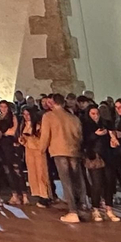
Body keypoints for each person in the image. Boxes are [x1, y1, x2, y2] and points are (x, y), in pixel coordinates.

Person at [42, 94, 87, 222]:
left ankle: (72, 210)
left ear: (53, 103)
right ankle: (82, 205)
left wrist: (41, 149)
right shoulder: (73, 117)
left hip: (59, 150)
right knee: (77, 178)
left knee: (66, 180)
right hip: (74, 150)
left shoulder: (49, 116)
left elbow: (45, 136)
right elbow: (79, 135)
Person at [20, 105, 51, 205]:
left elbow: (42, 139)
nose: (26, 116)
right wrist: (22, 140)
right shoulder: (24, 125)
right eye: (24, 114)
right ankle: (37, 193)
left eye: (28, 114)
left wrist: (31, 138)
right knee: (32, 172)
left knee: (41, 172)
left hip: (38, 151)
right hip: (29, 150)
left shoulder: (38, 125)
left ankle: (45, 195)